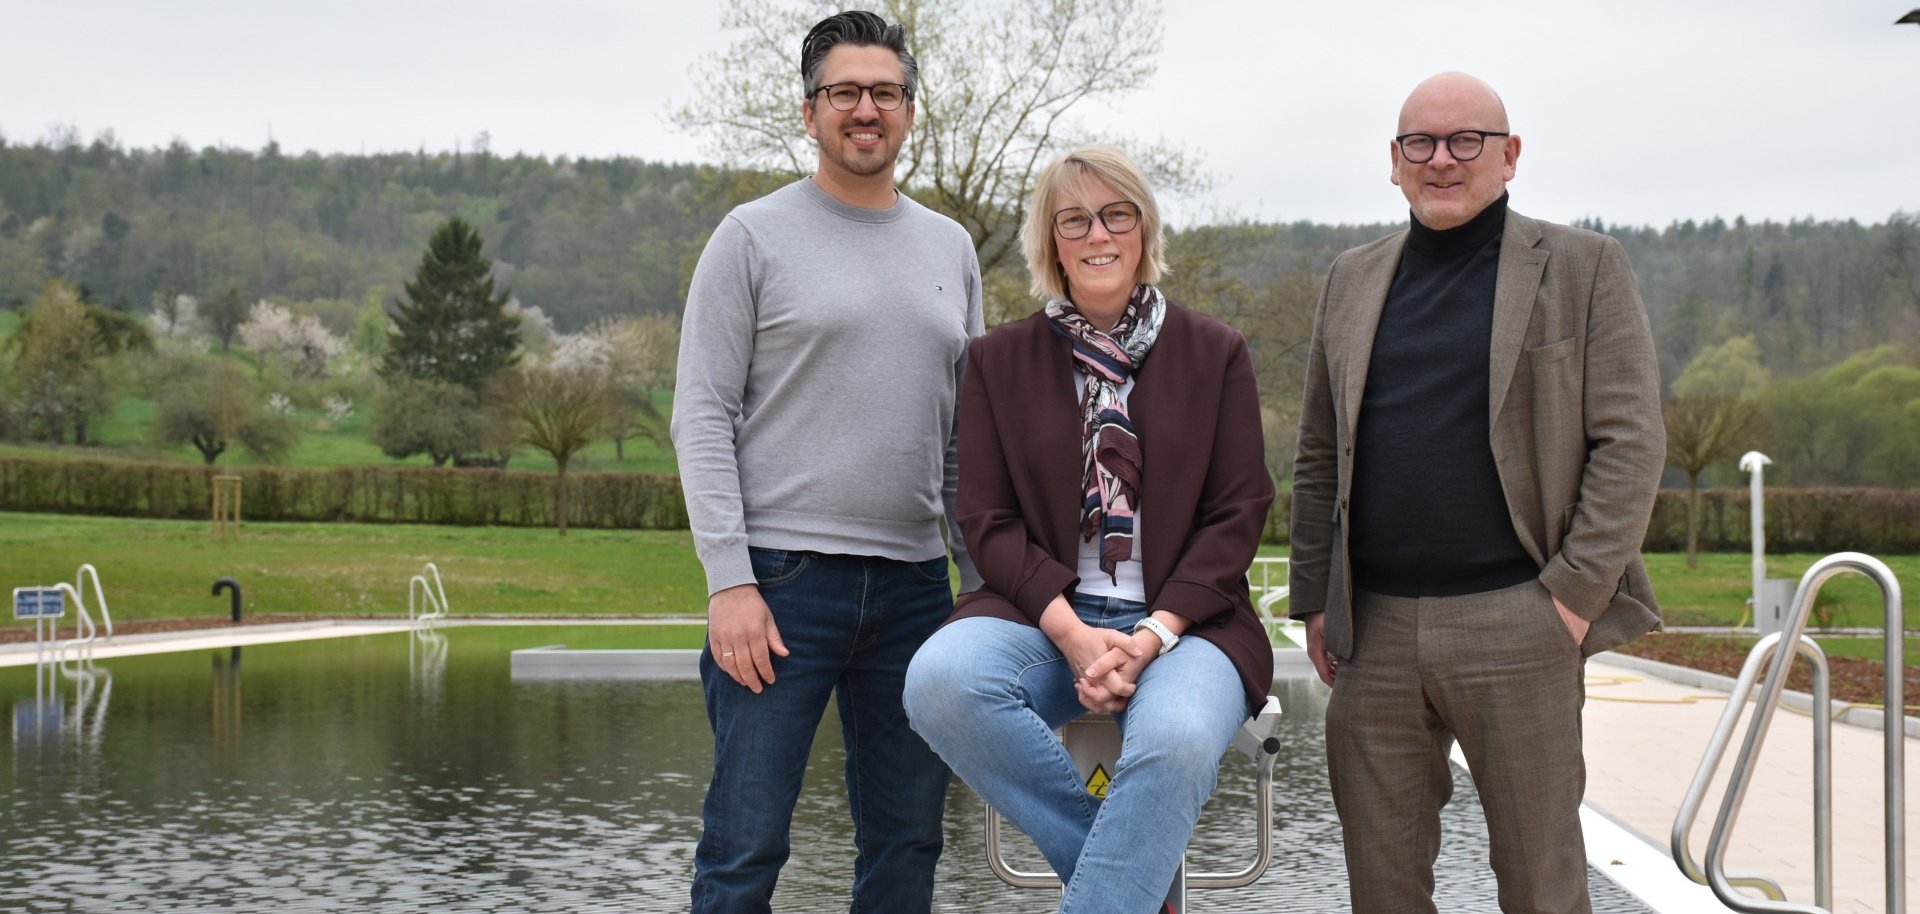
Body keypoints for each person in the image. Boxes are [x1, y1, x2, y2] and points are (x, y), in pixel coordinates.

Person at [1288, 72, 1666, 914]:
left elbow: (1631, 443)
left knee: (1541, 887)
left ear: (1510, 156)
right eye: (1420, 142)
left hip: (1519, 620)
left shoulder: (1583, 266)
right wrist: (1315, 597)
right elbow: (1319, 452)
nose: (1443, 160)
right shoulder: (1351, 279)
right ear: (1394, 161)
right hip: (1374, 632)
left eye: (1467, 141)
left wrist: (1569, 599)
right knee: (1382, 890)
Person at [904, 145, 1274, 914]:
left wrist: (1155, 634)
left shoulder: (1216, 353)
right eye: (1074, 219)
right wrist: (1072, 633)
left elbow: (1239, 513)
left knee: (1173, 743)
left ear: (1144, 230)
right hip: (1040, 616)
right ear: (1051, 240)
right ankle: (1133, 885)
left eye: (1117, 214)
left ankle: (1111, 892)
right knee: (939, 683)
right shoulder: (997, 360)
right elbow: (985, 519)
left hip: (1189, 626)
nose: (1097, 234)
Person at [670, 11, 983, 913]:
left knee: (907, 845)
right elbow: (701, 416)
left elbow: (966, 436)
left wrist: (978, 582)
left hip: (919, 590)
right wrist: (728, 580)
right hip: (778, 586)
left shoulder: (951, 248)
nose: (865, 109)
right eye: (843, 92)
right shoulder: (750, 237)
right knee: (745, 845)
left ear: (910, 113)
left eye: (885, 92)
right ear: (808, 113)